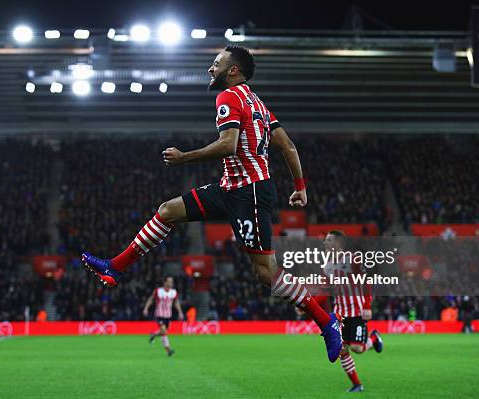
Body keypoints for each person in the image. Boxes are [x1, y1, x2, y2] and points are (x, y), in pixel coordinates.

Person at [82, 44, 342, 362]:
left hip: (250, 193)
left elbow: (229, 144)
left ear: (232, 70)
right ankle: (116, 267)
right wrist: (300, 186)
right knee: (167, 211)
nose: (210, 69)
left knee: (266, 273)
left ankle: (327, 323)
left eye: (216, 63)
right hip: (229, 188)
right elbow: (287, 145)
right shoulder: (258, 103)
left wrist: (184, 158)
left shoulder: (229, 97)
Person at [321, 231, 384, 392]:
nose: (325, 243)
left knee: (358, 348)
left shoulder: (352, 259)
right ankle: (357, 384)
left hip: (356, 311)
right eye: (325, 240)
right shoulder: (327, 265)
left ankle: (374, 339)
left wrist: (367, 305)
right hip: (339, 314)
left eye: (329, 240)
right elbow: (324, 291)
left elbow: (366, 281)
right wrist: (305, 305)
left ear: (339, 243)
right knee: (341, 348)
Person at [143, 276, 183, 357]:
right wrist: (146, 308)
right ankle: (169, 350)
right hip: (159, 315)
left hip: (168, 316)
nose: (171, 283)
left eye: (172, 282)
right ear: (165, 282)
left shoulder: (173, 292)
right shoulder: (158, 291)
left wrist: (180, 312)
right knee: (164, 331)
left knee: (163, 332)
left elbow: (176, 302)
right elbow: (151, 299)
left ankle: (153, 335)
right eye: (169, 281)